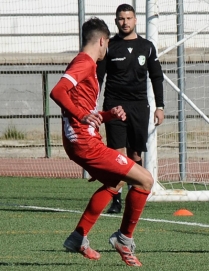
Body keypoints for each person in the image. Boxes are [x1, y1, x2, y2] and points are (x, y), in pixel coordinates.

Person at [50, 17, 153, 266]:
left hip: (79, 141)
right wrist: (82, 114)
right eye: (107, 45)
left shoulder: (83, 64)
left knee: (115, 181)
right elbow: (57, 91)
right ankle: (124, 239)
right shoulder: (85, 63)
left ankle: (78, 236)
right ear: (102, 41)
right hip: (85, 143)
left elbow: (84, 110)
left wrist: (107, 115)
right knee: (145, 180)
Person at [97, 3, 164, 214]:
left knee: (135, 153)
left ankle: (136, 196)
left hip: (139, 107)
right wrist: (92, 105)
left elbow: (156, 77)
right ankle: (115, 199)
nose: (125, 22)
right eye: (121, 19)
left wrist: (159, 107)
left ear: (135, 20)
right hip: (114, 105)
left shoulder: (147, 46)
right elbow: (98, 78)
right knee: (117, 153)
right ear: (116, 21)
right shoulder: (109, 46)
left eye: (128, 18)